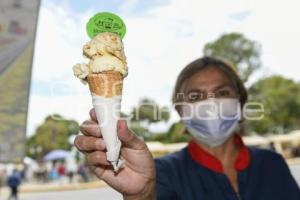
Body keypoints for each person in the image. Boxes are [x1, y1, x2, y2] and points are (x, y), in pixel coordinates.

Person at [74, 56, 300, 200]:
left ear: (240, 101)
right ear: (181, 110)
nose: (210, 104)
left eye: (222, 93)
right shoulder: (158, 173)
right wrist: (142, 196)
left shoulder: (272, 164)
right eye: (195, 96)